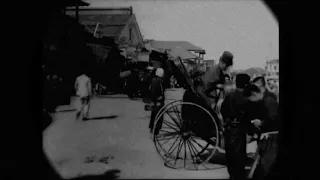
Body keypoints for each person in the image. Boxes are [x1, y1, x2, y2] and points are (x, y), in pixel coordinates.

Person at [220, 73, 252, 180]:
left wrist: (227, 121)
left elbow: (222, 110)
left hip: (228, 129)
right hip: (239, 130)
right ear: (246, 84)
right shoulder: (245, 98)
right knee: (239, 159)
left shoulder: (229, 95)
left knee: (230, 157)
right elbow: (248, 117)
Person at [198, 51, 234, 127]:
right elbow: (208, 84)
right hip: (206, 93)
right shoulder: (215, 70)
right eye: (226, 65)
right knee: (221, 106)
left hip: (211, 92)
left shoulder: (218, 70)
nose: (226, 67)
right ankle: (220, 124)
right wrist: (221, 86)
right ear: (221, 62)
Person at [148, 68, 165, 134]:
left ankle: (153, 128)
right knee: (158, 116)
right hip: (158, 101)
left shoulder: (154, 80)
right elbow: (157, 92)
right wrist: (158, 98)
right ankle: (155, 130)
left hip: (155, 101)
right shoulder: (159, 81)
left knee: (154, 115)